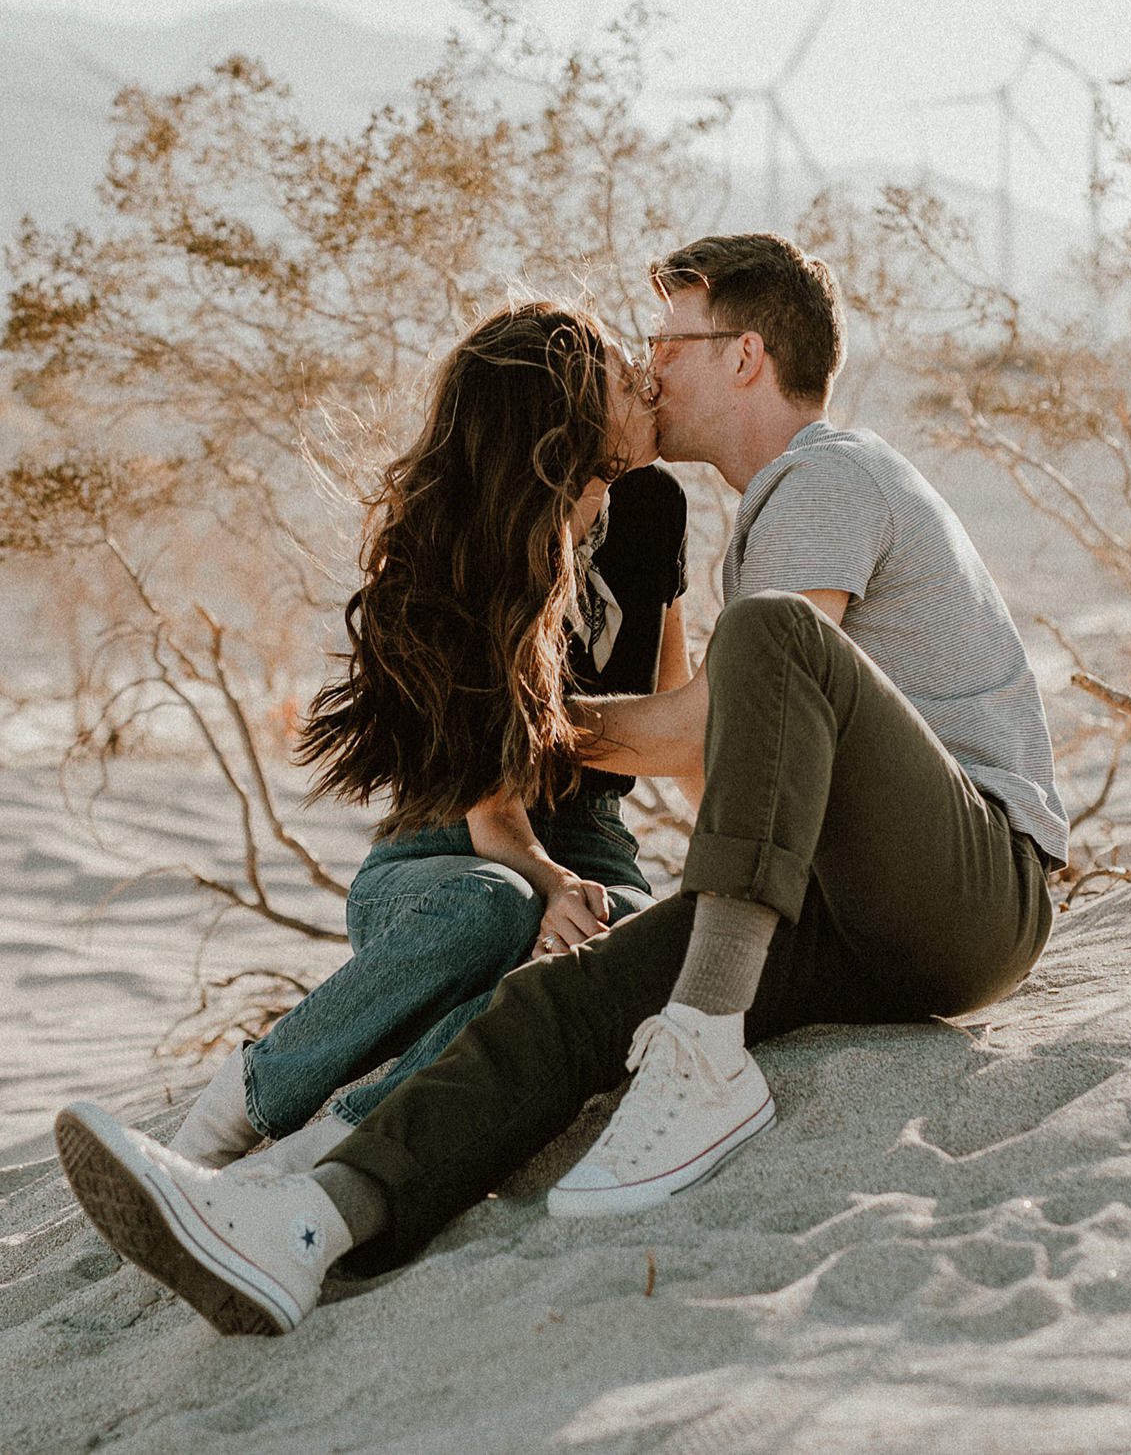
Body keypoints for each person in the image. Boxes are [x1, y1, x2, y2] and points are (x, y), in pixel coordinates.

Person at [56, 234, 1069, 1339]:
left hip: (974, 891)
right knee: (559, 1003)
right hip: (844, 909)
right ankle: (310, 1221)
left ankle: (701, 1044)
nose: (649, 368)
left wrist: (518, 725)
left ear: (744, 356)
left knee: (767, 640)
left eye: (668, 343)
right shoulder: (752, 522)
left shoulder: (829, 476)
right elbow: (724, 748)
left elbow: (708, 723)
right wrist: (523, 742)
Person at [69, 301, 689, 1197]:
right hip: (445, 858)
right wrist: (552, 884)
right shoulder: (470, 551)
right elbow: (493, 818)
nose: (647, 382)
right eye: (624, 378)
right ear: (568, 421)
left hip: (593, 845)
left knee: (625, 944)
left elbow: (676, 722)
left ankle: (320, 1155)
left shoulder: (655, 508)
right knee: (495, 908)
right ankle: (221, 1125)